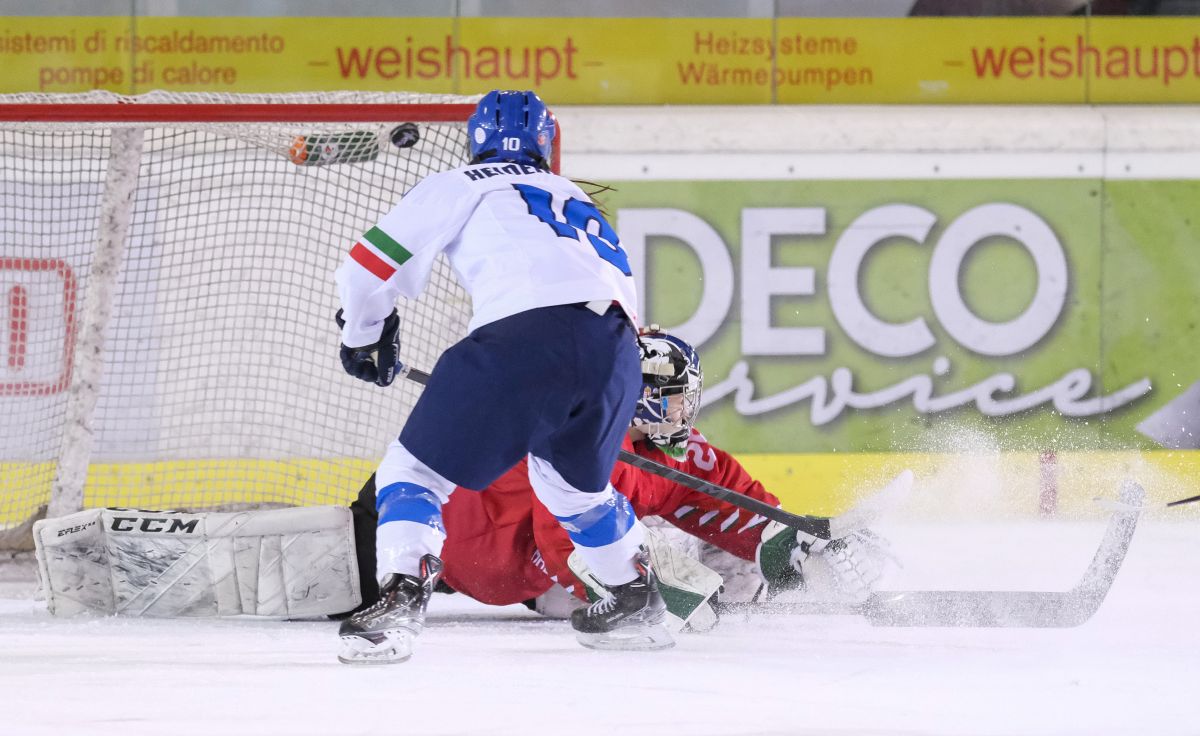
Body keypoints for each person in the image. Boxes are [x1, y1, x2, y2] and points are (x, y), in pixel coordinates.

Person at [333, 89, 664, 664]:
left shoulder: (461, 182)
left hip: (529, 337)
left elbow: (366, 267)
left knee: (411, 470)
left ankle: (399, 599)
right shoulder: (575, 196)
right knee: (573, 488)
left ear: (474, 139)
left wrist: (364, 336)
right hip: (616, 351)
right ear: (546, 143)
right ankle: (637, 597)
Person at [345, 327, 893, 628]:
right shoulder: (583, 445)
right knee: (275, 578)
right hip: (401, 535)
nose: (686, 411)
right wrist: (661, 595)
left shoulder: (677, 452)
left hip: (516, 575)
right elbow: (563, 537)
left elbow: (734, 504)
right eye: (676, 399)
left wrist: (797, 546)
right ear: (645, 402)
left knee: (717, 566)